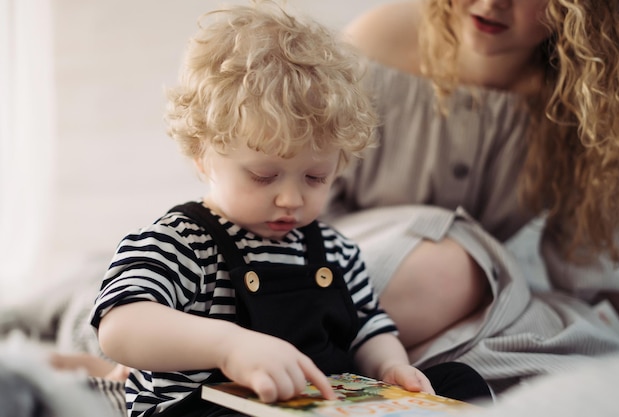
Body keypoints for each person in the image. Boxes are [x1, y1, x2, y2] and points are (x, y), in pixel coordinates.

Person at [89, 2, 492, 416]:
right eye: (264, 176)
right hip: (204, 407)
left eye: (315, 178)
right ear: (201, 155)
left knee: (460, 381)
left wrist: (390, 365)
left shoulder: (334, 251)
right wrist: (229, 346)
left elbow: (368, 326)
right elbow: (119, 328)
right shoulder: (180, 243)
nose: (291, 199)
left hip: (318, 404)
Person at [323, 0, 619, 394]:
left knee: (561, 345)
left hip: (474, 299)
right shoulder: (376, 45)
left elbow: (581, 261)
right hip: (345, 265)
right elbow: (302, 198)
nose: (491, 4)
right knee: (451, 263)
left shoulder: (586, 92)